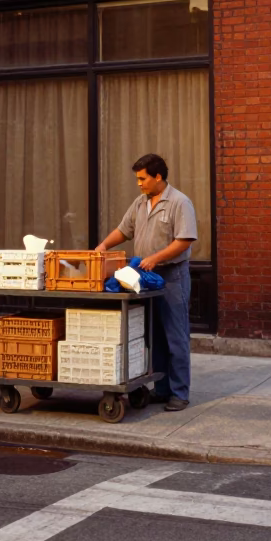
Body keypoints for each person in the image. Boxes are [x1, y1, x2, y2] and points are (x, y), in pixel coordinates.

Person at [95, 154, 197, 412]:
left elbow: (184, 240)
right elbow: (124, 229)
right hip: (147, 280)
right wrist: (105, 245)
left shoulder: (179, 202)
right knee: (155, 337)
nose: (139, 184)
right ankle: (161, 389)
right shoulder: (140, 203)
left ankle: (180, 393)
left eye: (142, 178)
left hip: (172, 276)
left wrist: (155, 258)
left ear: (158, 177)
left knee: (176, 337)